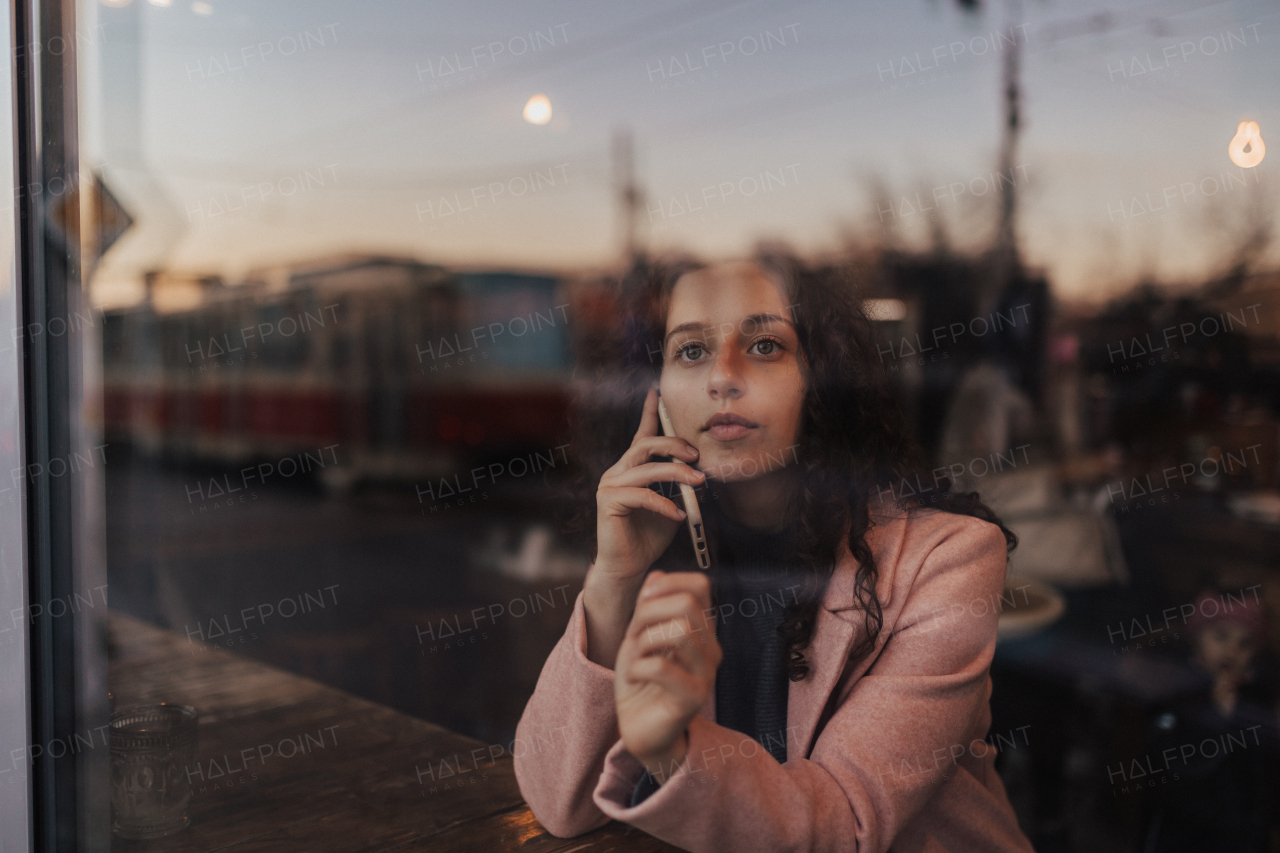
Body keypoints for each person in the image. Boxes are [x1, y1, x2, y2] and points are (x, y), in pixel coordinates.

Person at [513, 253, 1035, 852]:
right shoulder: (660, 538)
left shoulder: (949, 558)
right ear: (652, 396)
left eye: (764, 346)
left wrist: (673, 752)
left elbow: (847, 827)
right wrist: (613, 580)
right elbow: (558, 802)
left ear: (826, 377)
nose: (722, 377)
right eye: (690, 351)